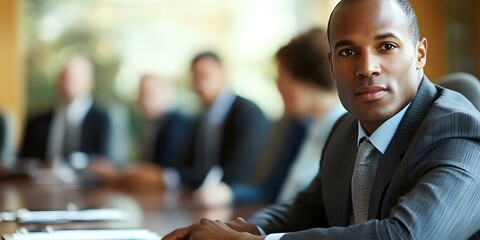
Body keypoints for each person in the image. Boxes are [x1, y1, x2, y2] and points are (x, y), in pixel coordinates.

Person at [163, 0, 480, 239]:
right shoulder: (345, 128)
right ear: (331, 65)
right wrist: (241, 229)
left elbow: (402, 235)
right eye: (347, 52)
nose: (366, 67)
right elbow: (308, 207)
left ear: (420, 54)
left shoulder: (459, 131)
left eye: (386, 46)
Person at [232, 27, 345, 204]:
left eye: (282, 78)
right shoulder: (310, 126)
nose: (278, 86)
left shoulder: (345, 131)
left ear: (308, 84)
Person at [181, 52, 271, 207]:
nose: (198, 85)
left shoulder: (249, 113)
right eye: (195, 78)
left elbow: (243, 170)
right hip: (203, 201)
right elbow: (190, 164)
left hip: (240, 204)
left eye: (204, 76)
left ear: (222, 75)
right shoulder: (202, 116)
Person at [19, 55, 112, 170]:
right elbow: (23, 162)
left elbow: (107, 163)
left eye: (73, 78)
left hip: (87, 185)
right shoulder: (36, 122)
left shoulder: (102, 119)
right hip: (40, 184)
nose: (66, 83)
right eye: (62, 76)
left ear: (89, 82)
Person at [116, 74, 194, 191]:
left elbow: (164, 172)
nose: (141, 100)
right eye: (140, 94)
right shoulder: (150, 124)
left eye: (148, 94)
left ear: (167, 93)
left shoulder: (180, 125)